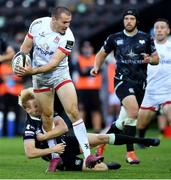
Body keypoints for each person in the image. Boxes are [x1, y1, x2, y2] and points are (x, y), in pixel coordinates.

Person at [14, 6, 102, 167]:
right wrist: (21, 60)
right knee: (46, 116)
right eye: (64, 22)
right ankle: (55, 157)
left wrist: (31, 70)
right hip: (40, 78)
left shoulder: (68, 38)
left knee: (73, 111)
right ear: (54, 19)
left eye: (69, 22)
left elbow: (53, 64)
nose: (67, 25)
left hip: (59, 75)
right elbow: (25, 47)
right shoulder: (37, 24)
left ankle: (89, 156)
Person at [20, 88, 160, 172]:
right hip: (62, 156)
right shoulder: (30, 126)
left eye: (39, 104)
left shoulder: (47, 112)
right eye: (36, 107)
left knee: (101, 138)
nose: (40, 108)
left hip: (67, 142)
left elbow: (63, 127)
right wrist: (52, 150)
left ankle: (144, 140)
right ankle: (105, 165)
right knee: (102, 169)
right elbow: (30, 153)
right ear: (27, 109)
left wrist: (44, 137)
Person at [90, 8, 159, 164]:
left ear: (136, 21)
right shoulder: (114, 38)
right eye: (126, 18)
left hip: (140, 83)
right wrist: (96, 67)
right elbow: (101, 53)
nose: (129, 21)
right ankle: (130, 153)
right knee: (134, 112)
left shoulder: (146, 38)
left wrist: (150, 60)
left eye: (132, 19)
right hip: (122, 80)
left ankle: (101, 143)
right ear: (123, 21)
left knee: (123, 121)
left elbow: (156, 59)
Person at [137, 18, 171, 141]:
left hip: (168, 92)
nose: (159, 30)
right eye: (157, 27)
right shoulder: (146, 46)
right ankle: (141, 140)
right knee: (141, 124)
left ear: (168, 30)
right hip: (151, 91)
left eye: (162, 27)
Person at [74, 41, 103, 133]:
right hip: (82, 89)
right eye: (85, 48)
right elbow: (81, 73)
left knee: (96, 110)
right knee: (82, 110)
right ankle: (81, 131)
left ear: (92, 49)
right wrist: (91, 69)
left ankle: (97, 131)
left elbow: (99, 70)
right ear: (82, 49)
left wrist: (87, 69)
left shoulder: (96, 58)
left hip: (94, 89)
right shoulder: (79, 59)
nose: (87, 49)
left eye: (89, 47)